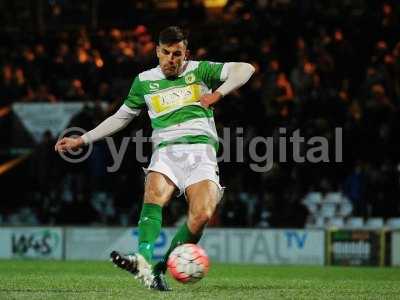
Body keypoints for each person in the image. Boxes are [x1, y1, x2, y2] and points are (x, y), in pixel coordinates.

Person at [55, 26, 254, 291]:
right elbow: (121, 117)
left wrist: (218, 93)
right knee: (155, 193)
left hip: (201, 152)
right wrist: (83, 139)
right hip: (166, 151)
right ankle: (142, 259)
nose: (171, 59)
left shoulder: (201, 70)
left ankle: (158, 270)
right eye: (166, 53)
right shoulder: (144, 81)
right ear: (157, 51)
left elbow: (246, 69)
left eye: (177, 54)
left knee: (202, 215)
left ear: (186, 54)